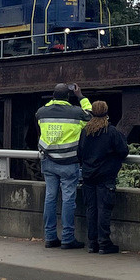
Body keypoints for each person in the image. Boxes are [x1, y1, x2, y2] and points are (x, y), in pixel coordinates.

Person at [36, 82, 91, 250]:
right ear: (68, 97)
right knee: (68, 199)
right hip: (68, 162)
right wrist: (80, 96)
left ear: (53, 96)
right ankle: (67, 238)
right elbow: (90, 115)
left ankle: (50, 237)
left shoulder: (41, 112)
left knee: (50, 198)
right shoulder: (75, 113)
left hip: (48, 161)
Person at [77, 99, 129, 254]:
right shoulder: (111, 131)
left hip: (88, 176)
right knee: (104, 209)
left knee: (91, 209)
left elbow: (79, 153)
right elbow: (123, 151)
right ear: (106, 113)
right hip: (105, 176)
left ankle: (92, 243)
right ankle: (104, 242)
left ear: (92, 112)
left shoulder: (85, 131)